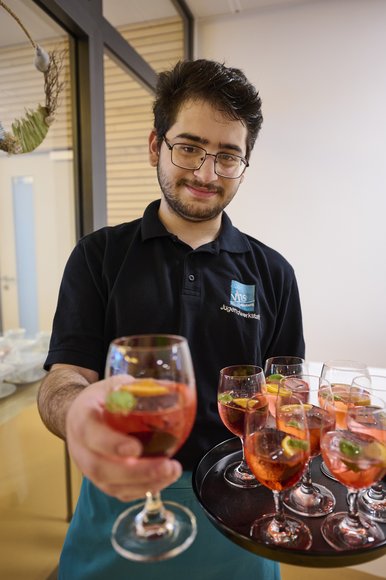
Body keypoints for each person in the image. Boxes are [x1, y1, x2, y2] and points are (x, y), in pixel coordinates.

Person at [38, 59, 305, 579]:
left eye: (228, 156)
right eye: (189, 148)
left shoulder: (274, 273)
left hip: (240, 511)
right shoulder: (99, 257)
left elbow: (287, 394)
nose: (207, 174)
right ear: (156, 145)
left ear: (244, 164)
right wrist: (76, 415)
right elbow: (63, 378)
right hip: (120, 507)